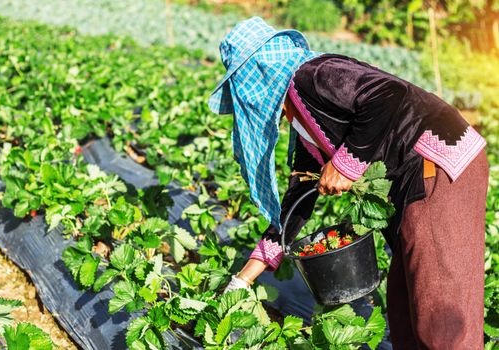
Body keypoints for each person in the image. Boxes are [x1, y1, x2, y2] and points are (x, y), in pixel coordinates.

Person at [208, 17, 489, 349]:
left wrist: (345, 163)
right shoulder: (303, 126)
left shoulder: (314, 75)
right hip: (412, 186)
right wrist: (242, 281)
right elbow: (296, 206)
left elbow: (389, 93)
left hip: (437, 165)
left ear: (258, 75)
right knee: (404, 306)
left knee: (438, 312)